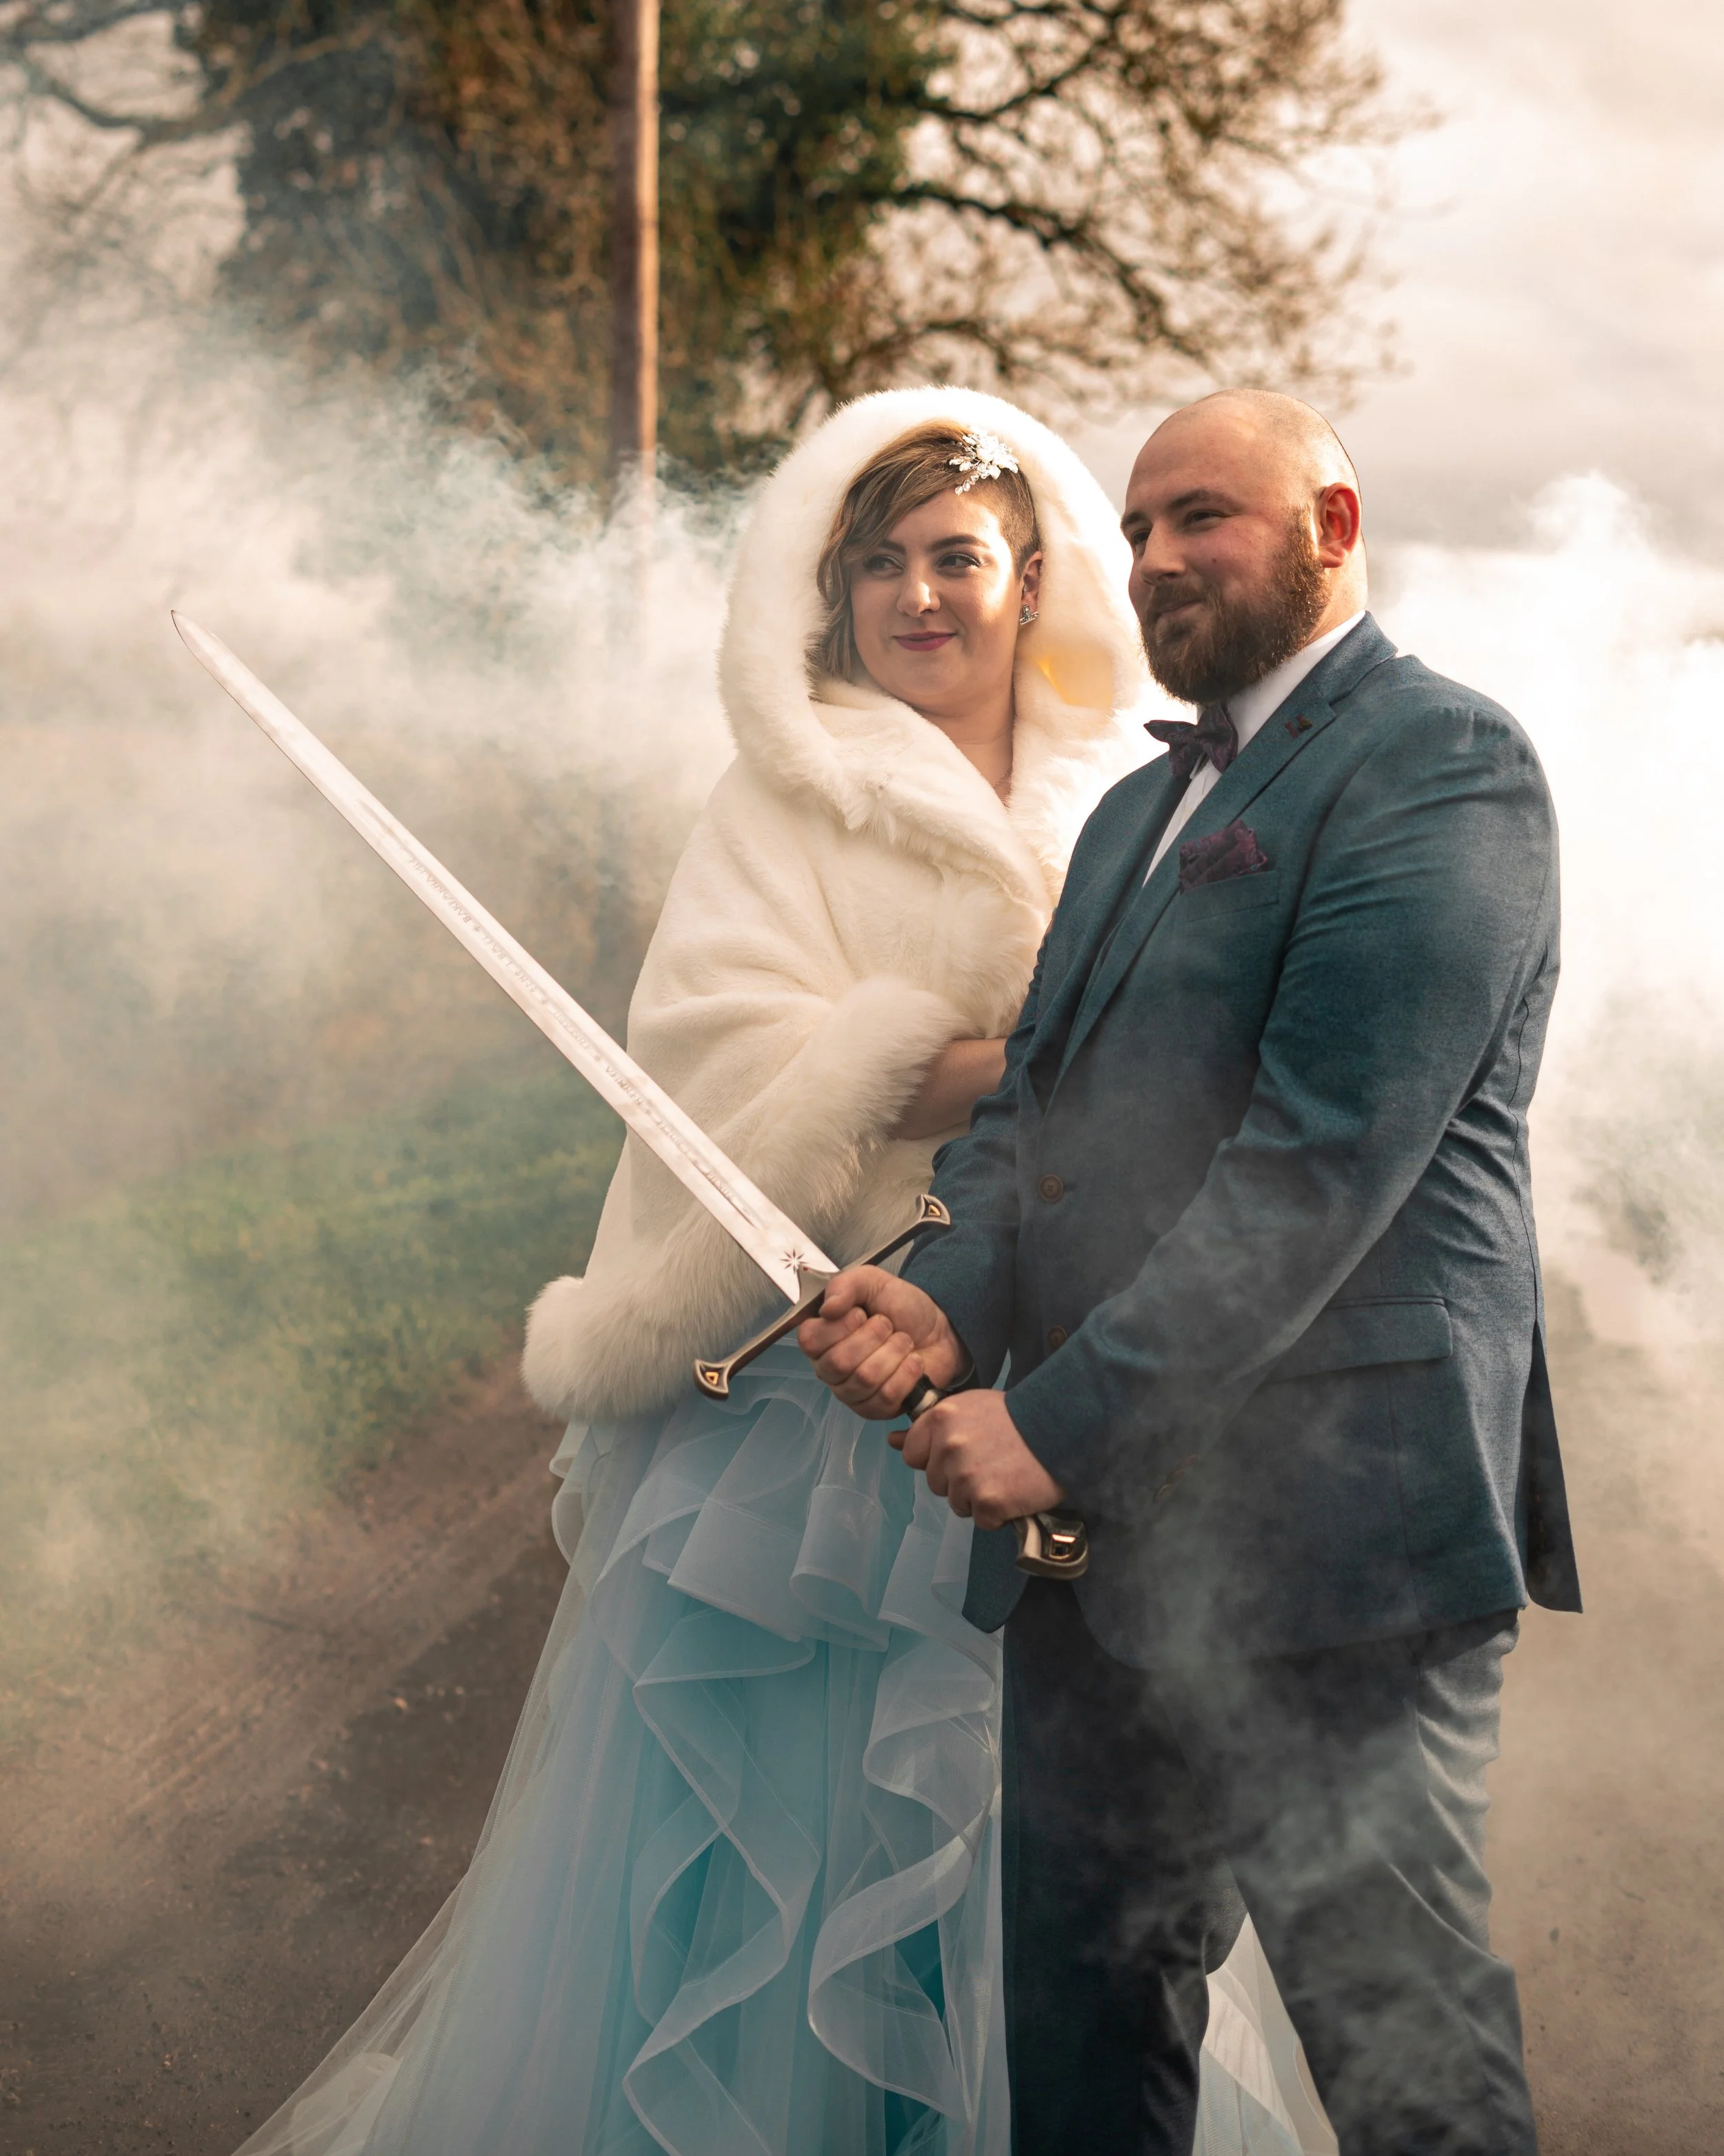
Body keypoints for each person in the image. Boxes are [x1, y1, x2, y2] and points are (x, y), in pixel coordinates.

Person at [231, 390, 1329, 2156]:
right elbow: (721, 1051)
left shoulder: (1127, 792)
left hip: (1036, 1378)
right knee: (783, 1837)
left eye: (957, 557)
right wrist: (994, 1055)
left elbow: (1197, 1070)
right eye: (876, 562)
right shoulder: (786, 794)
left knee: (1039, 1832)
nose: (918, 595)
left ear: (1031, 575)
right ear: (825, 595)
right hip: (794, 1404)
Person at [803, 389, 1582, 2156]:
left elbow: (1316, 1171)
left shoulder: (1444, 763)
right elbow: (1031, 1129)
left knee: (1406, 2067)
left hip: (1340, 1549)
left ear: (1329, 520)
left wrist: (1052, 1419)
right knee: (1082, 2053)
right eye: (1140, 526)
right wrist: (946, 1295)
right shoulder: (1132, 811)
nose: (1157, 555)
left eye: (1204, 517)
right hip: (1094, 1558)